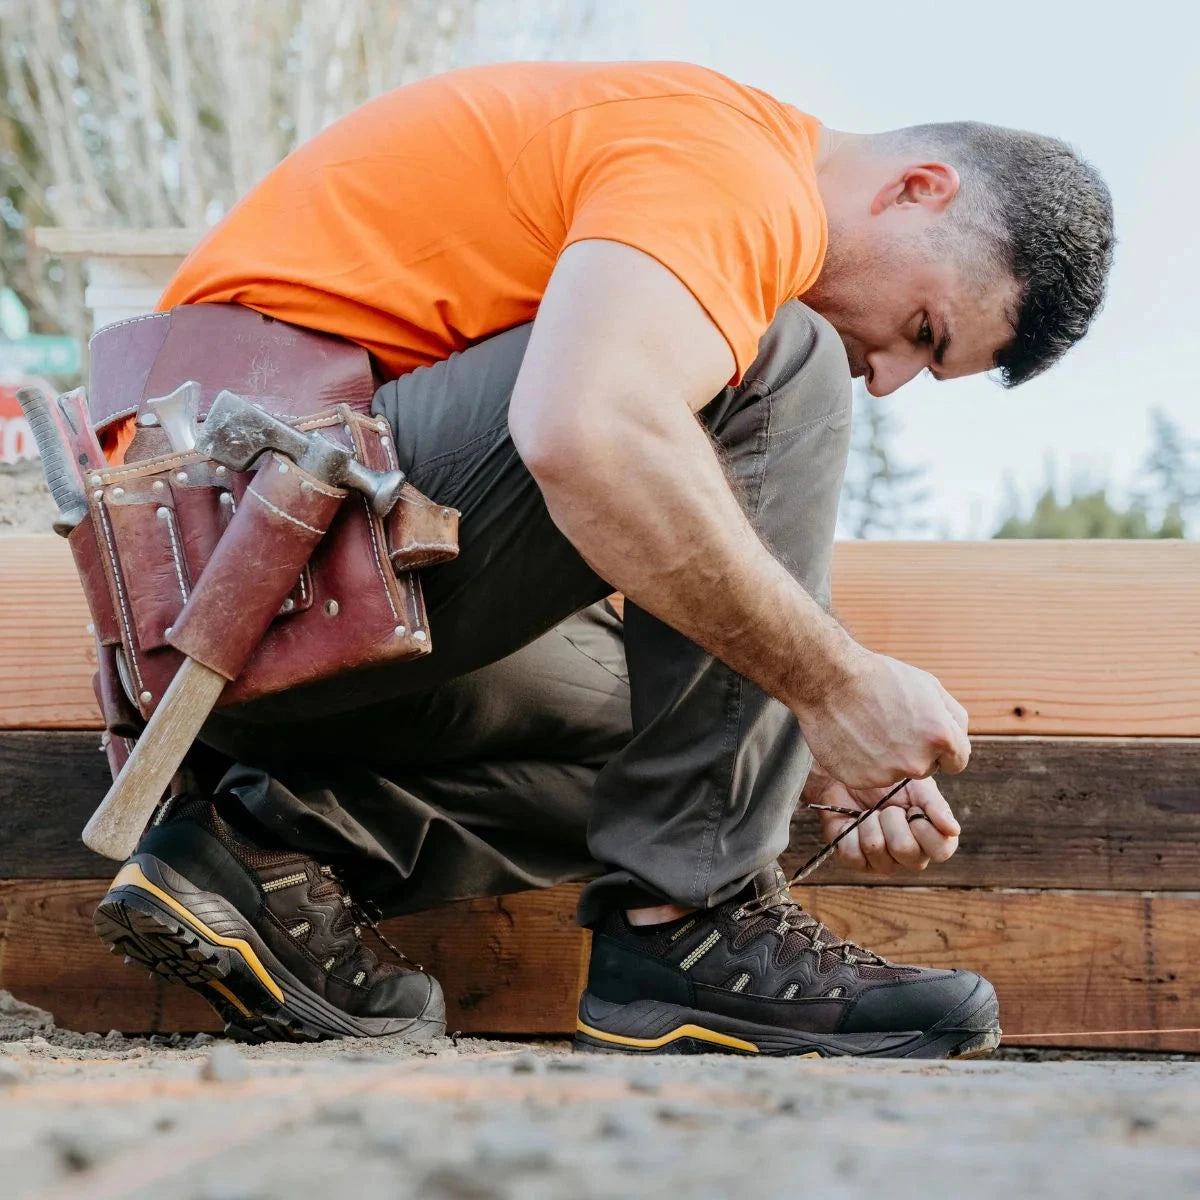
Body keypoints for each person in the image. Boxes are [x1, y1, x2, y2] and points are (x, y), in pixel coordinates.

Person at [92, 60, 1113, 1056]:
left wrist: (783, 741)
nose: (886, 378)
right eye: (923, 331)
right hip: (235, 542)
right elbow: (586, 430)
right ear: (918, 190)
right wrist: (831, 684)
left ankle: (261, 854)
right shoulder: (730, 164)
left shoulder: (696, 171)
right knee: (785, 356)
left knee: (655, 744)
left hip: (230, 599)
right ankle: (694, 925)